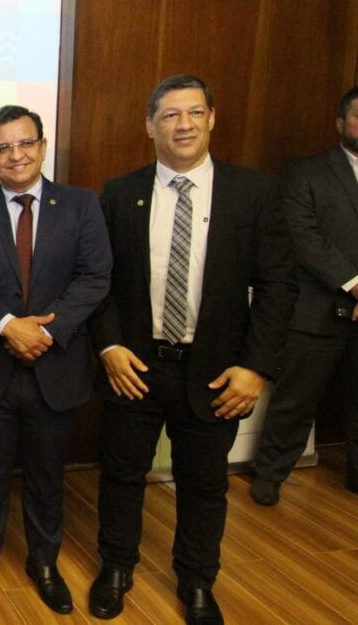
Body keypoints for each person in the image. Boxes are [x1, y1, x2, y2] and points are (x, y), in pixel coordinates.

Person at [87, 75, 295, 624]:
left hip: (214, 372)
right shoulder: (119, 192)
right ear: (150, 126)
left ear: (212, 119)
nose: (183, 124)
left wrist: (255, 368)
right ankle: (116, 566)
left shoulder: (254, 194)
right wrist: (107, 344)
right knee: (122, 474)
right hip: (134, 366)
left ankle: (198, 581)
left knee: (204, 485)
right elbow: (98, 281)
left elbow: (279, 287)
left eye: (194, 113)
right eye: (171, 115)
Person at [0, 105, 111, 614]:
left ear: (42, 147)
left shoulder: (82, 206)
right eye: (3, 147)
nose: (15, 155)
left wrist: (49, 329)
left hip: (55, 367)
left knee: (47, 479)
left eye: (25, 143)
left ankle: (44, 563)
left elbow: (95, 277)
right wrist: (8, 326)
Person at [251, 86, 358, 505]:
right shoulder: (306, 172)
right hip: (317, 310)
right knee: (295, 401)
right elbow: (303, 237)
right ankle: (269, 476)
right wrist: (353, 284)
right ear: (340, 124)